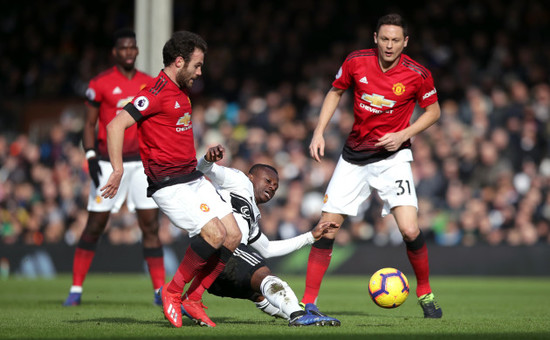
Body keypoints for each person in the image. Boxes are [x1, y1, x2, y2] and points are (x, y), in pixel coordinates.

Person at [302, 13, 443, 319]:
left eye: (395, 40)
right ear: (375, 38)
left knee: (409, 228)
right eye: (384, 39)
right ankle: (308, 303)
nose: (389, 45)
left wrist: (404, 135)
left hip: (393, 158)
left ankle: (425, 292)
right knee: (326, 229)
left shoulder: (417, 74)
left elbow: (433, 112)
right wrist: (319, 131)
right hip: (353, 157)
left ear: (405, 42)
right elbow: (335, 91)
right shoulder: (356, 61)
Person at [100, 31, 242, 329]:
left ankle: (194, 298)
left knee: (233, 235)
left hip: (193, 177)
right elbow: (115, 125)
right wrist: (117, 169)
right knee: (213, 235)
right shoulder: (154, 92)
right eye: (198, 65)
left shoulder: (181, 93)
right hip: (169, 183)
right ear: (180, 61)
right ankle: (173, 292)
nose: (200, 71)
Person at [181, 145, 341, 327]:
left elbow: (268, 249)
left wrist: (310, 237)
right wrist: (208, 159)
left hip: (215, 276)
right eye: (268, 181)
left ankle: (296, 313)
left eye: (275, 186)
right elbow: (204, 169)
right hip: (220, 247)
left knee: (259, 292)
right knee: (264, 274)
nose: (272, 187)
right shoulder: (239, 180)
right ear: (251, 177)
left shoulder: (253, 218)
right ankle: (298, 314)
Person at [63, 29, 165, 307]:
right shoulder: (100, 83)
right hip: (109, 163)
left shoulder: (150, 83)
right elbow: (88, 124)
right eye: (124, 48)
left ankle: (159, 292)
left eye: (133, 47)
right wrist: (92, 156)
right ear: (115, 52)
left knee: (150, 227)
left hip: (140, 165)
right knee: (95, 225)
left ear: (137, 51)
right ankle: (75, 289)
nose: (129, 52)